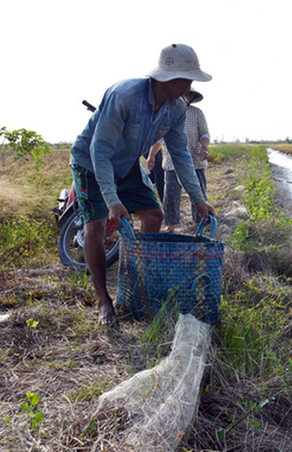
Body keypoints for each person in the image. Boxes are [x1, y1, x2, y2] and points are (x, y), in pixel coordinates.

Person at [69, 43, 216, 326]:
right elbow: (100, 151)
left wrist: (198, 199)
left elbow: (181, 154)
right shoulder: (124, 95)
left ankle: (135, 283)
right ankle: (103, 300)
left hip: (126, 163)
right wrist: (113, 201)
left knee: (154, 215)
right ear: (167, 77)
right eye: (186, 78)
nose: (189, 85)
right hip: (91, 161)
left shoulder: (176, 109)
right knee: (96, 225)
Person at [148, 88, 210, 232]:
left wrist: (204, 148)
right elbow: (159, 138)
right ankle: (171, 224)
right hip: (172, 162)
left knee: (198, 192)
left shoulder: (197, 113)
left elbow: (205, 134)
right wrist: (151, 156)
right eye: (184, 94)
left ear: (191, 97)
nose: (186, 97)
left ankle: (199, 221)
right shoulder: (169, 112)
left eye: (189, 95)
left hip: (195, 160)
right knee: (171, 195)